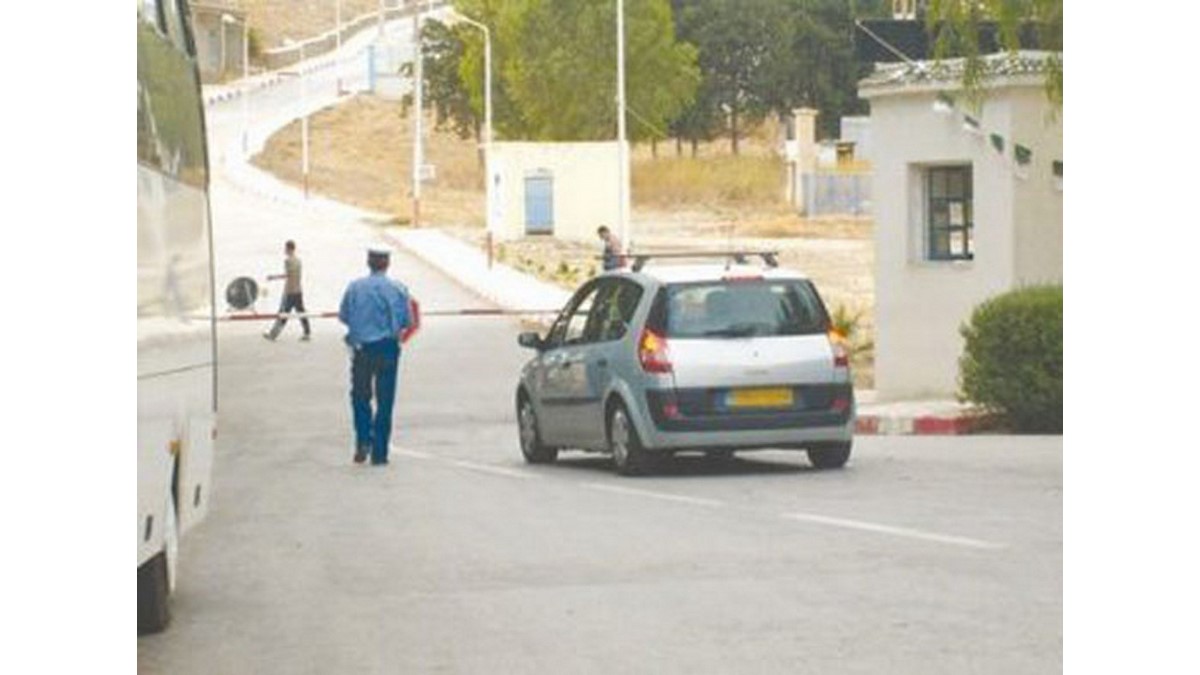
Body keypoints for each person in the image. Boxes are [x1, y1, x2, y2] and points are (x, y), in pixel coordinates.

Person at [338, 247, 413, 466]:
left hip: (362, 349)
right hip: (388, 348)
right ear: (387, 264)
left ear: (368, 263)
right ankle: (380, 452)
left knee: (360, 397)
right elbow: (407, 321)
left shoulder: (355, 288)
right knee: (385, 400)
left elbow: (344, 315)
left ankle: (363, 440)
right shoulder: (398, 289)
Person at [264, 240, 312, 341]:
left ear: (288, 249)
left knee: (283, 313)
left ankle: (273, 334)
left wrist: (273, 277)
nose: (284, 250)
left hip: (290, 291)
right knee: (301, 311)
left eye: (285, 248)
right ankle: (307, 332)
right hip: (298, 290)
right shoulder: (298, 260)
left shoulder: (288, 261)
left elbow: (287, 276)